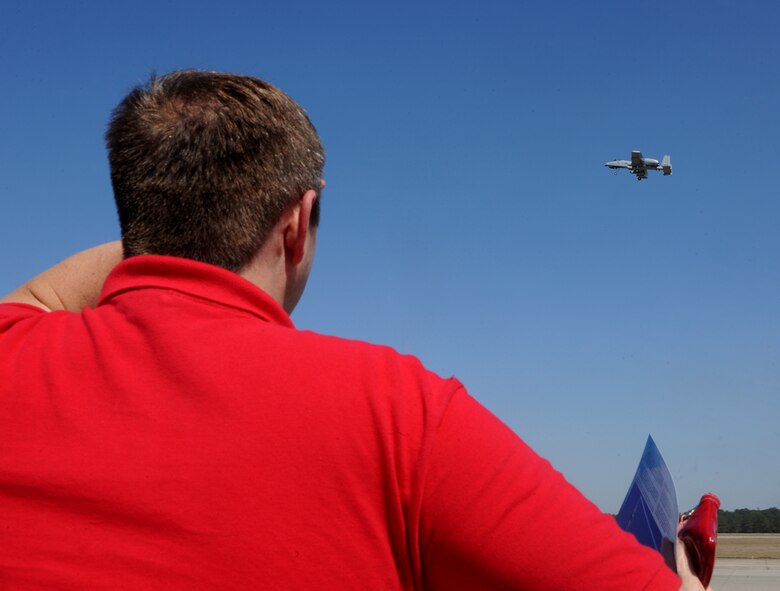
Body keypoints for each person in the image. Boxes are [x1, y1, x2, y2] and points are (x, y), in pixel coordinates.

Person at [0, 70, 711, 590]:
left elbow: (33, 297)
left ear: (131, 211)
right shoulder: (399, 412)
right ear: (299, 225)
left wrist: (167, 227)